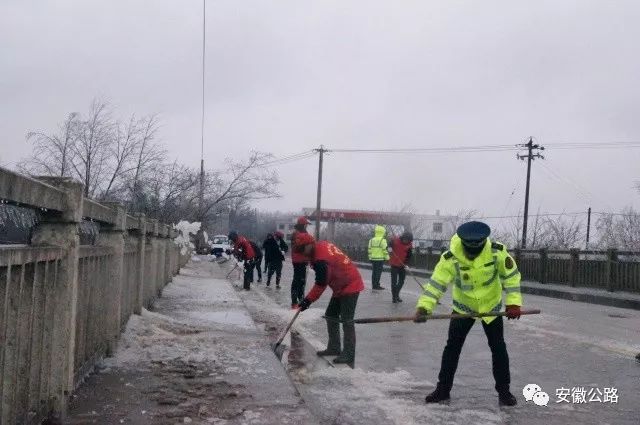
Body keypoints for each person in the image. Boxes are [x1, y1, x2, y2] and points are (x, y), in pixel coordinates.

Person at [414, 221, 522, 406]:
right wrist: (424, 307)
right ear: (463, 243)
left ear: (483, 242)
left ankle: (504, 392)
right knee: (452, 348)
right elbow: (436, 284)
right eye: (469, 250)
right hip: (463, 308)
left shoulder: (497, 251)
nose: (472, 254)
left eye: (477, 250)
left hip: (491, 307)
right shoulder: (450, 257)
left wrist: (513, 302)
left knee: (498, 348)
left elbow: (511, 277)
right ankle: (443, 390)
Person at [297, 234, 364, 368]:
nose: (302, 253)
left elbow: (321, 283)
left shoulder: (321, 259)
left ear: (309, 245)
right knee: (331, 315)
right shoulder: (319, 247)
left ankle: (349, 354)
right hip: (340, 285)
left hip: (350, 284)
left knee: (347, 320)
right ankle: (334, 347)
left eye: (302, 249)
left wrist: (307, 300)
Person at [290, 216, 314, 309]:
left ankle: (300, 300)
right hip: (299, 260)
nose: (307, 226)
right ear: (303, 225)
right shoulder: (297, 234)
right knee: (298, 280)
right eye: (306, 225)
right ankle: (295, 302)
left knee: (301, 280)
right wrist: (307, 247)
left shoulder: (301, 233)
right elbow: (298, 247)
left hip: (301, 260)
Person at [388, 230, 413, 303]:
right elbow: (389, 244)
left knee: (401, 281)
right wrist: (389, 248)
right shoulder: (395, 240)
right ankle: (394, 297)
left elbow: (409, 256)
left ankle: (396, 294)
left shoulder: (409, 245)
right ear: (403, 237)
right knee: (394, 282)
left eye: (408, 240)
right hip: (394, 264)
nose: (406, 241)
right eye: (405, 239)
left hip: (402, 265)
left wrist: (407, 264)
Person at [368, 225, 389, 290]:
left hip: (373, 259)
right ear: (383, 232)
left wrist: (370, 258)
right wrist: (387, 258)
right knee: (378, 272)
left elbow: (369, 250)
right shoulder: (383, 240)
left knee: (374, 272)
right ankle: (377, 285)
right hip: (380, 259)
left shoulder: (371, 240)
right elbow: (385, 250)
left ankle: (374, 285)